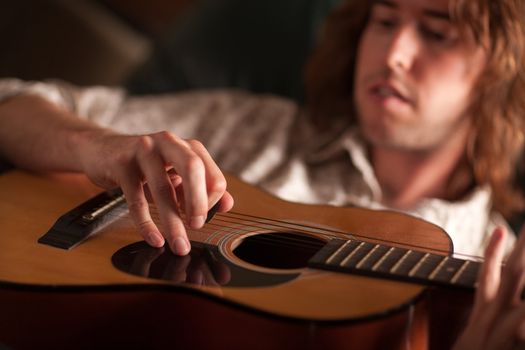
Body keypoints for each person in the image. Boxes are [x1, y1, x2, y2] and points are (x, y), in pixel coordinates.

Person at [0, 0, 525, 348]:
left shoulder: (492, 272)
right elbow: (12, 103)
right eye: (384, 22)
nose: (394, 55)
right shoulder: (255, 126)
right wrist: (98, 146)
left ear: (501, 76)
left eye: (437, 34)